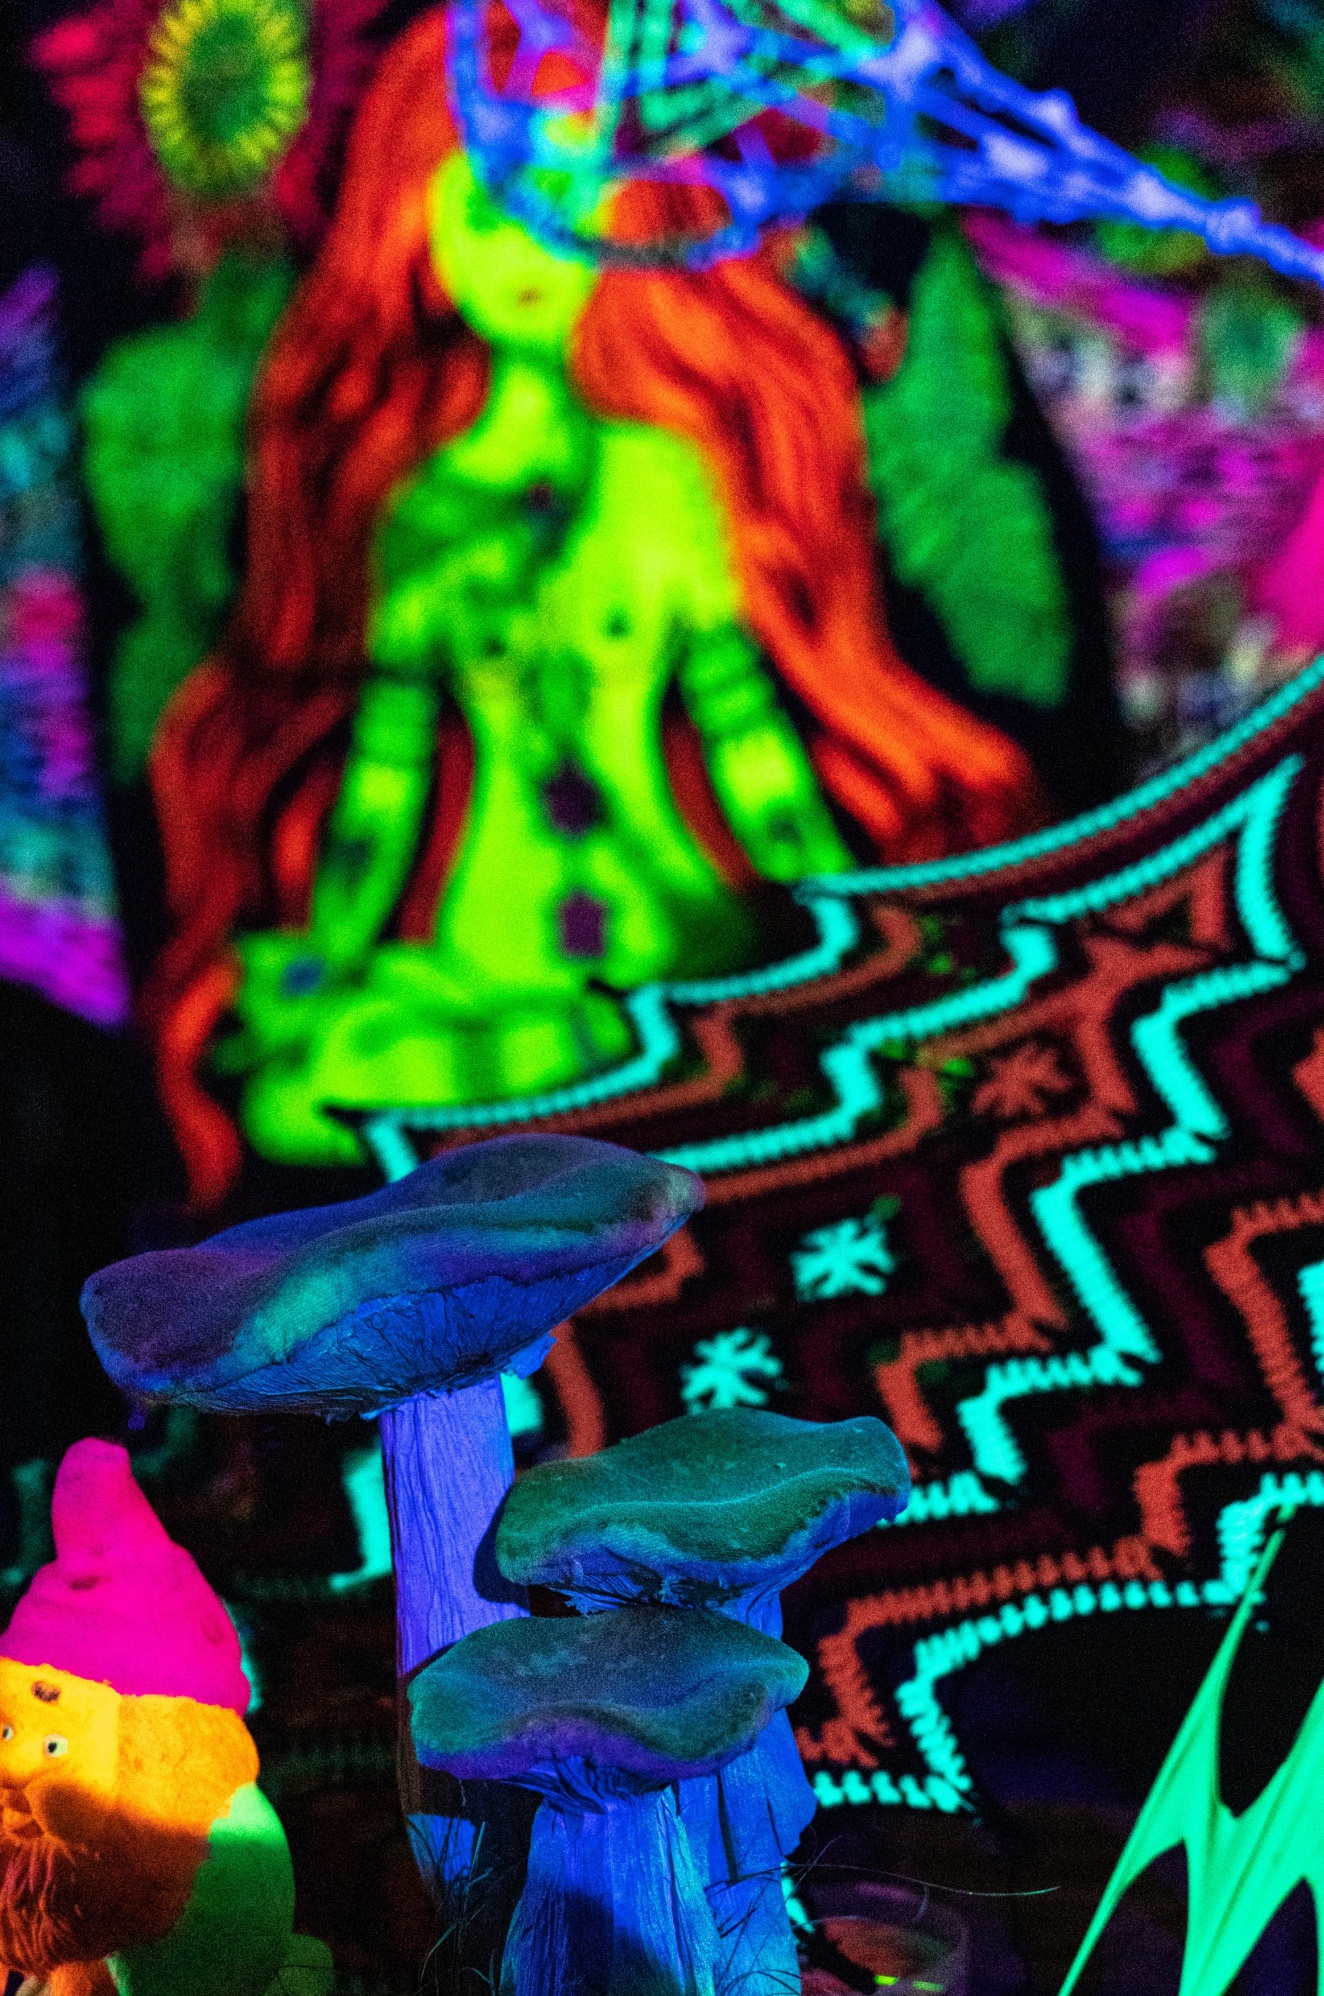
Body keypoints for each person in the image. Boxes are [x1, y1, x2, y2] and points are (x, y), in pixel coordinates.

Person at [146, 7, 1043, 1194]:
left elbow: (752, 751)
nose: (530, 250)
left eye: (568, 197)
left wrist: (846, 929)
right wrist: (328, 955)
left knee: (699, 1056)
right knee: (322, 1086)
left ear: (625, 211)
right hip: (479, 965)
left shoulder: (667, 476)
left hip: (672, 935)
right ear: (416, 229)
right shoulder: (413, 509)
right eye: (489, 209)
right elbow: (383, 789)